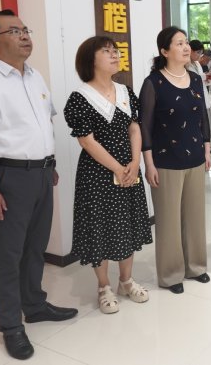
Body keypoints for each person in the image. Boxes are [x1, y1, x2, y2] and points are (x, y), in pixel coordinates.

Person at [0, 9, 77, 360]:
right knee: (7, 256)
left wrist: (48, 163)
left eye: (25, 29)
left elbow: (42, 125)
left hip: (41, 174)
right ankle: (11, 325)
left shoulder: (34, 76)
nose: (25, 35)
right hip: (8, 177)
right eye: (14, 31)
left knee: (35, 248)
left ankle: (35, 305)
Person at [63, 37, 152, 313]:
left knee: (127, 223)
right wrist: (117, 167)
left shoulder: (125, 91)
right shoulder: (80, 97)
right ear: (90, 60)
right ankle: (103, 286)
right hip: (97, 174)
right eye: (107, 51)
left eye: (116, 51)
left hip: (129, 168)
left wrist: (135, 162)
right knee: (99, 227)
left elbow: (134, 128)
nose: (115, 55)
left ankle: (126, 281)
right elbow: (86, 141)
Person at [140, 27, 211, 293]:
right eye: (179, 43)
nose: (185, 47)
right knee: (169, 220)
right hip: (165, 160)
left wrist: (207, 149)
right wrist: (148, 163)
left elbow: (202, 116)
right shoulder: (153, 82)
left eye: (186, 43)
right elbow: (144, 126)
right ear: (164, 51)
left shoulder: (194, 79)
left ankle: (196, 266)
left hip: (195, 157)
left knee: (194, 216)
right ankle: (171, 275)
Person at [189, 39, 211, 146]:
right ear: (190, 50)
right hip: (192, 99)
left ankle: (206, 146)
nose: (199, 55)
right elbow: (192, 79)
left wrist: (207, 78)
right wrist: (204, 77)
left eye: (201, 53)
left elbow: (200, 80)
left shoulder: (196, 64)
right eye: (198, 52)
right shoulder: (185, 65)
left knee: (206, 124)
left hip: (202, 96)